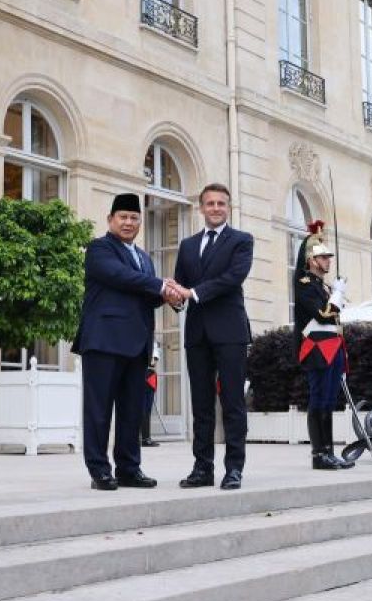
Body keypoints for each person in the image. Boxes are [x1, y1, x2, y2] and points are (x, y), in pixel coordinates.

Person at [73, 192, 168, 491]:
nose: (128, 222)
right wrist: (162, 286)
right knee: (99, 410)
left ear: (141, 222)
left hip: (137, 344)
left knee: (131, 410)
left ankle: (129, 468)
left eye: (134, 218)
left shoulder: (144, 258)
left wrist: (170, 297)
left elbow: (148, 295)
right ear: (110, 220)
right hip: (103, 341)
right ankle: (99, 470)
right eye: (123, 217)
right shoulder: (99, 248)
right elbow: (119, 277)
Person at [170, 183, 253, 490]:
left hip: (230, 331)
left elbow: (233, 279)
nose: (216, 208)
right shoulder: (188, 245)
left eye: (221, 203)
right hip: (197, 333)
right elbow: (181, 283)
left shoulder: (242, 241)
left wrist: (192, 292)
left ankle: (234, 469)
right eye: (210, 203)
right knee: (202, 405)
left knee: (232, 403)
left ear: (227, 207)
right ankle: (202, 468)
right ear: (201, 207)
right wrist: (174, 296)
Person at [293, 221, 353, 470]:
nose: (328, 261)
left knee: (329, 400)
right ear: (311, 260)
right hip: (317, 348)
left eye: (328, 257)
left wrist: (334, 293)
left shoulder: (321, 286)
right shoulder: (305, 284)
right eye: (323, 257)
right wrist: (337, 295)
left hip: (332, 347)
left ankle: (329, 451)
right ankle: (319, 454)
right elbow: (323, 315)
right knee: (318, 399)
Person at [140, 341, 161, 447]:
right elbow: (152, 362)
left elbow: (154, 361)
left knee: (146, 409)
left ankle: (145, 437)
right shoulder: (149, 342)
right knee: (144, 409)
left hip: (150, 375)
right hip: (146, 374)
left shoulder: (153, 342)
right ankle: (144, 438)